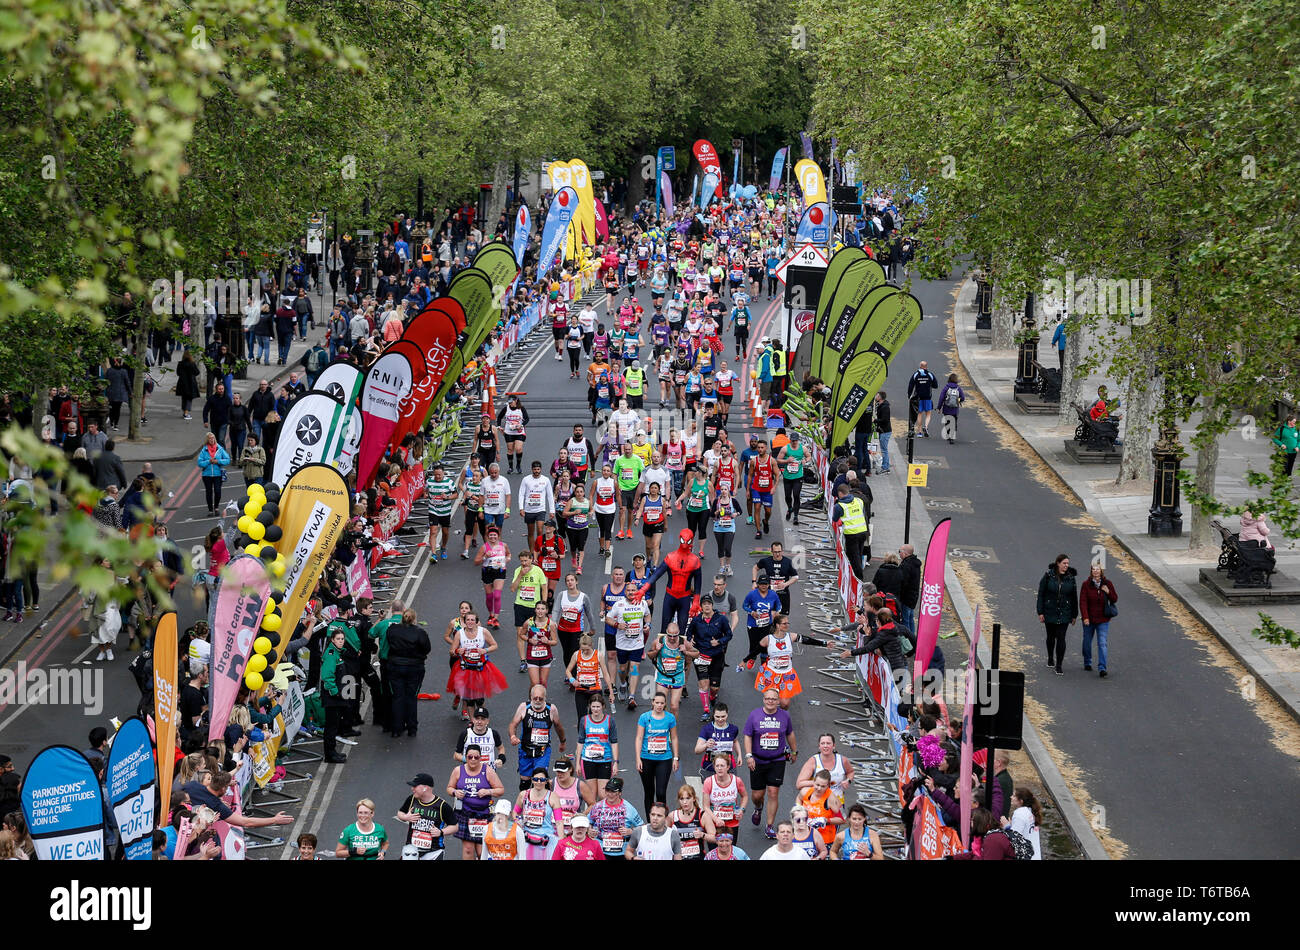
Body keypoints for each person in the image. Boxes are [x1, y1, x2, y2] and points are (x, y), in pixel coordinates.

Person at [744, 688, 797, 840]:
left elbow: (790, 734)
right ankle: (758, 808)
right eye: (768, 698)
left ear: (778, 701)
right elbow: (747, 735)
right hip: (758, 760)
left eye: (773, 699)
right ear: (763, 699)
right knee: (757, 795)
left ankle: (769, 826)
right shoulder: (754, 715)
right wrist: (749, 756)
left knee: (773, 793)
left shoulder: (784, 716)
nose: (770, 701)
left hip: (777, 760)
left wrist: (794, 751)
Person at [446, 745, 506, 859]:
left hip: (483, 814)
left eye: (476, 757)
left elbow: (500, 790)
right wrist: (455, 792)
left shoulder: (487, 770)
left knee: (481, 851)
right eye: (470, 757)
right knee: (468, 849)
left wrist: (488, 791)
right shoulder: (458, 770)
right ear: (466, 758)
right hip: (465, 813)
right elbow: (449, 788)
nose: (473, 759)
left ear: (481, 758)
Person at [446, 610, 509, 710]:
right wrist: (458, 651)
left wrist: (485, 650)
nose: (470, 622)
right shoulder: (459, 633)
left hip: (481, 667)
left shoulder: (483, 631)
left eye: (472, 620)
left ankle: (481, 717)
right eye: (468, 620)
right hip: (466, 667)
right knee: (469, 698)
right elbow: (451, 651)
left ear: (476, 621)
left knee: (479, 699)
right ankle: (472, 720)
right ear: (465, 622)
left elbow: (495, 645)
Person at [509, 684, 567, 789]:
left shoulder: (551, 709)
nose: (538, 701)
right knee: (524, 784)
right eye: (535, 698)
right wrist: (513, 736)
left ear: (545, 698)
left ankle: (543, 802)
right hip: (525, 750)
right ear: (531, 697)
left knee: (539, 779)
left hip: (542, 751)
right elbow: (513, 724)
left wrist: (563, 741)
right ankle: (525, 803)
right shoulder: (524, 707)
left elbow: (558, 726)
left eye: (541, 698)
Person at [634, 691, 679, 815]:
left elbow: (674, 737)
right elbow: (639, 738)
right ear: (652, 702)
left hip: (664, 759)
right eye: (657, 702)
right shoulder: (644, 717)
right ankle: (650, 822)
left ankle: (661, 819)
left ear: (665, 704)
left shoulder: (670, 718)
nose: (659, 705)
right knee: (649, 791)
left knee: (661, 792)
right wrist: (638, 759)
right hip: (646, 759)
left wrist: (676, 758)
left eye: (662, 703)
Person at [395, 772, 455, 860]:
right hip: (412, 851)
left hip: (434, 852)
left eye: (415, 786)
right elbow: (400, 813)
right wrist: (405, 817)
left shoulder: (442, 806)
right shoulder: (411, 799)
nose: (412, 789)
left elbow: (455, 826)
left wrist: (441, 832)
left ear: (425, 788)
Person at [1036, 553, 1078, 676]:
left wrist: (1074, 614)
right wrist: (1040, 611)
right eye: (1064, 563)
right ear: (1058, 563)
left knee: (1061, 637)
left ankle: (1059, 665)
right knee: (1050, 636)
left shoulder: (1071, 578)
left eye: (1067, 563)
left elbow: (1074, 597)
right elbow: (1041, 594)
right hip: (1050, 611)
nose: (1066, 565)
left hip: (1064, 612)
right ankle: (1050, 657)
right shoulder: (1048, 576)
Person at [586, 776, 644, 861]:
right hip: (601, 850)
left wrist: (631, 831)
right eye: (607, 791)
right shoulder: (598, 806)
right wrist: (589, 830)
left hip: (622, 852)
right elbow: (587, 822)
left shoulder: (628, 808)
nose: (609, 794)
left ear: (620, 793)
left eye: (613, 791)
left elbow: (642, 828)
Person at [511, 549, 550, 673]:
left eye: (526, 560)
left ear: (531, 559)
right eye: (522, 561)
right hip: (520, 605)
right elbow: (512, 589)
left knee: (536, 633)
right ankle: (523, 661)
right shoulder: (518, 570)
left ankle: (536, 657)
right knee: (520, 634)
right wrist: (521, 575)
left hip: (534, 607)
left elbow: (544, 588)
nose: (524, 563)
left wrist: (543, 605)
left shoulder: (538, 571)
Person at [645, 623, 697, 716]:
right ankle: (661, 726)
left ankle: (672, 729)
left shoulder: (683, 642)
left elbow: (697, 654)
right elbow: (649, 655)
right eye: (670, 635)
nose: (672, 638)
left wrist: (686, 652)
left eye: (675, 636)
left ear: (679, 634)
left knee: (674, 706)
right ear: (666, 633)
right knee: (660, 705)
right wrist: (656, 650)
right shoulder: (659, 641)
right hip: (663, 676)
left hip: (677, 677)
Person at [1078, 562, 1118, 677]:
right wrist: (1085, 617)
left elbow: (1114, 599)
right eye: (1093, 569)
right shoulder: (1086, 584)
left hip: (1103, 620)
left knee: (1102, 643)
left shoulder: (1107, 583)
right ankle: (1087, 661)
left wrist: (1108, 592)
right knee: (1087, 642)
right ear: (1091, 571)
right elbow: (1083, 602)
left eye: (1098, 569)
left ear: (1101, 571)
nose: (1095, 571)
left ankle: (1102, 668)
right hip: (1089, 620)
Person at [474, 525, 510, 630]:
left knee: (497, 595)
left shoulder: (504, 545)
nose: (493, 537)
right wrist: (485, 557)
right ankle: (491, 615)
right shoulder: (484, 547)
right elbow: (476, 562)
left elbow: (509, 554)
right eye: (490, 535)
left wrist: (507, 559)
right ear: (487, 536)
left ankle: (496, 618)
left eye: (494, 535)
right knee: (489, 596)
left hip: (500, 571)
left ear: (498, 536)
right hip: (487, 572)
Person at [831, 482, 869, 580]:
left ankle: (858, 579)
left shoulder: (839, 506)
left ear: (840, 493)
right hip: (863, 531)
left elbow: (835, 519)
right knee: (858, 555)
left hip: (852, 534)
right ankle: (856, 575)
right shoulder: (859, 500)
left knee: (853, 558)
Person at [1000, 787, 1044, 859]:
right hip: (1035, 855)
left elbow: (1014, 839)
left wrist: (1006, 826)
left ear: (1021, 801)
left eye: (1014, 796)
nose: (1011, 797)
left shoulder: (1019, 813)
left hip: (1026, 855)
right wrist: (1012, 825)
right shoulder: (1031, 810)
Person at [194, 432, 231, 516]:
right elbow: (200, 463)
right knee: (209, 492)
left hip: (218, 474)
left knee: (217, 491)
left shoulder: (220, 449)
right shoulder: (204, 450)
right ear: (207, 440)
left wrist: (218, 461)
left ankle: (216, 507)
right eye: (210, 438)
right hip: (207, 475)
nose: (212, 440)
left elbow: (227, 459)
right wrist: (208, 461)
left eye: (213, 438)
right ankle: (210, 510)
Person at [907, 360, 939, 437]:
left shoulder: (916, 374)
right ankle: (926, 427)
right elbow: (936, 385)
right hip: (927, 397)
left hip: (918, 398)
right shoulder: (930, 374)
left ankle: (919, 432)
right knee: (928, 414)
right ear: (926, 367)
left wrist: (909, 395)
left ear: (920, 366)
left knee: (919, 414)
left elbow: (910, 385)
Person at [937, 373, 966, 444]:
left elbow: (941, 398)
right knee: (954, 421)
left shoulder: (946, 388)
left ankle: (948, 434)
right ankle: (952, 436)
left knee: (947, 422)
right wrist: (958, 401)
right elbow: (963, 398)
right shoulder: (958, 388)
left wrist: (939, 407)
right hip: (955, 409)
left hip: (946, 408)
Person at [873, 391, 892, 473]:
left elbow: (885, 420)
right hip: (883, 431)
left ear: (880, 397)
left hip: (885, 431)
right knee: (884, 449)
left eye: (877, 395)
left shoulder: (885, 407)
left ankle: (885, 467)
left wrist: (875, 420)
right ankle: (886, 465)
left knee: (884, 450)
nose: (875, 396)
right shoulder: (881, 405)